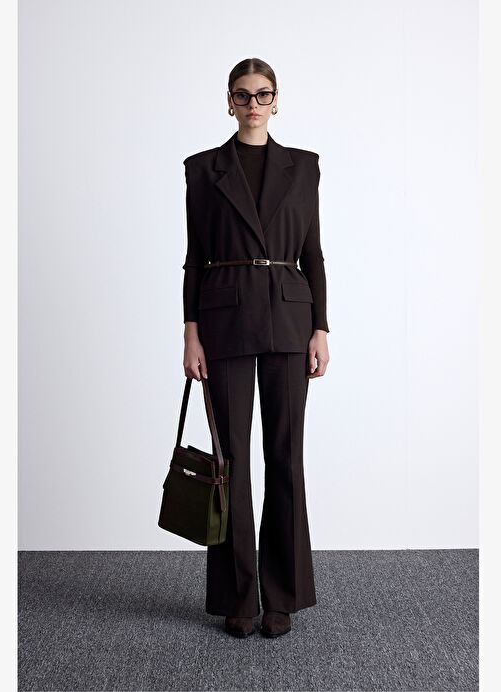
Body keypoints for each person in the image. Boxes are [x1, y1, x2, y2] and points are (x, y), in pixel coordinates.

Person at [181, 57, 329, 638]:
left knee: (286, 457)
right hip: (225, 321)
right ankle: (238, 596)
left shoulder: (304, 167)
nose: (252, 104)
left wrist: (321, 328)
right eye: (242, 95)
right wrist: (191, 332)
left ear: (276, 100)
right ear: (228, 101)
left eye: (262, 94)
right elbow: (195, 258)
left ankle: (282, 595)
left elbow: (313, 254)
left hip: (291, 321)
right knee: (231, 463)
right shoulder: (203, 170)